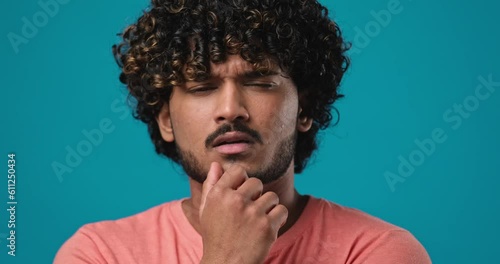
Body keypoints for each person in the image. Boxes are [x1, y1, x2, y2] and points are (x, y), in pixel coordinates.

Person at [55, 0, 431, 263]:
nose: (231, 109)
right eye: (202, 87)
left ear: (304, 109)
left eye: (260, 82)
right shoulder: (99, 254)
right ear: (165, 120)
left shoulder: (377, 252)